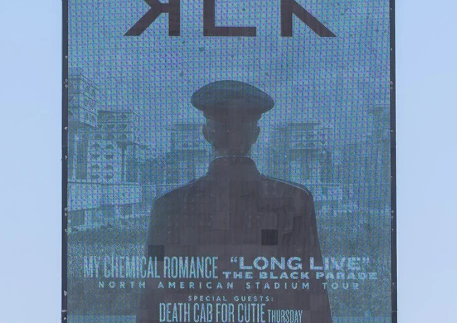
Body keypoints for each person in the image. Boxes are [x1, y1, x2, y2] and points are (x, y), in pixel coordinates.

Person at [136, 81, 332, 323]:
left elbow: (154, 304)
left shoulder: (168, 205)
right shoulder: (295, 200)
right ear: (256, 135)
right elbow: (312, 299)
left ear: (206, 134)